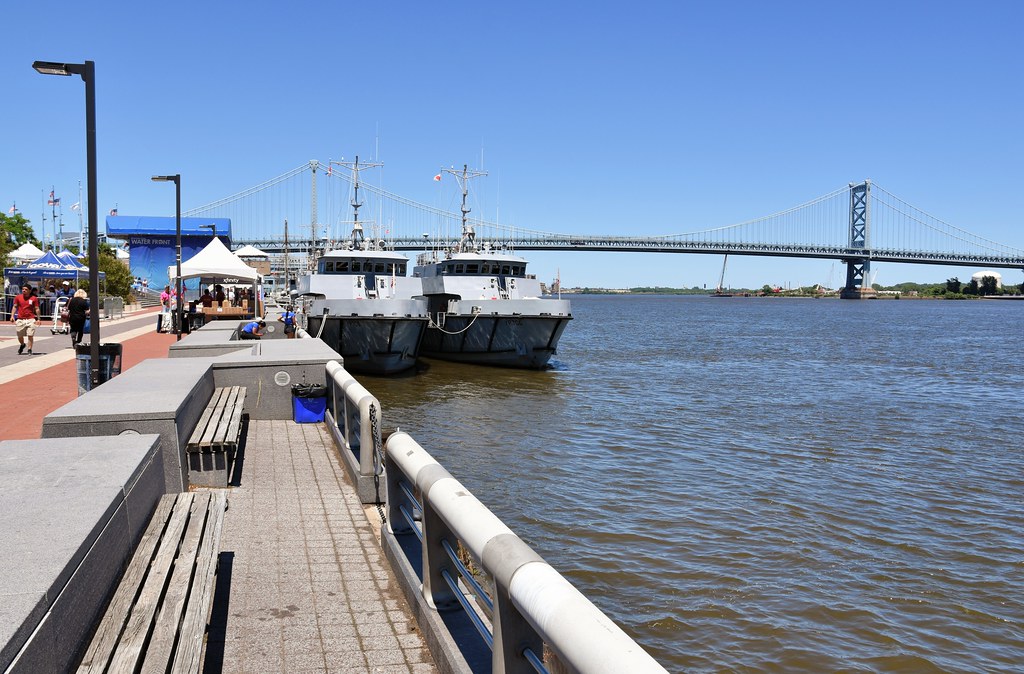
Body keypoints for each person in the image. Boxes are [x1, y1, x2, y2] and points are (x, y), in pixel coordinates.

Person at [12, 284, 40, 355]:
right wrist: (12, 316)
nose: (24, 290)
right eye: (23, 289)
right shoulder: (18, 297)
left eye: (26, 289)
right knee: (19, 335)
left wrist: (38, 319)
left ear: (30, 291)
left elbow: (37, 308)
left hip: (31, 319)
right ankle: (22, 344)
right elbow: (15, 307)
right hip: (20, 319)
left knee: (30, 335)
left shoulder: (34, 298)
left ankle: (29, 349)